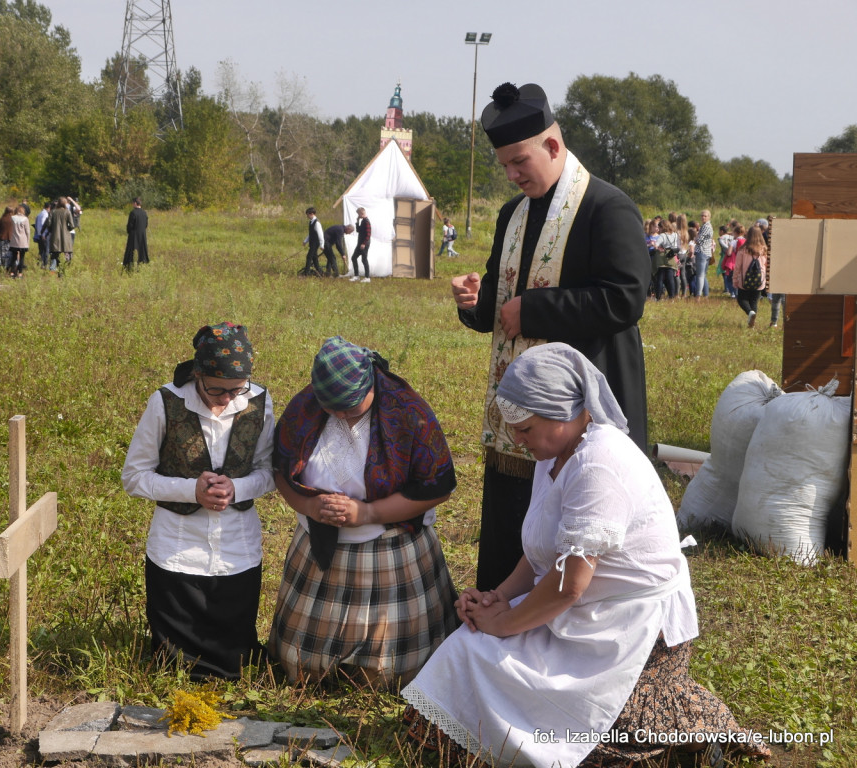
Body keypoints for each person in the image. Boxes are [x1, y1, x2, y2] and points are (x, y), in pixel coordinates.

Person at [401, 343, 771, 768]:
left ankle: (683, 742)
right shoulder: (553, 454)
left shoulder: (598, 465)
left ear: (560, 413)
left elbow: (568, 586)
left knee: (584, 729)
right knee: (467, 652)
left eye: (525, 429)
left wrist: (503, 624)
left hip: (629, 626)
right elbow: (543, 554)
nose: (518, 440)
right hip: (581, 611)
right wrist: (498, 597)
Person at [449, 81, 650, 591]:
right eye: (505, 166)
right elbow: (500, 307)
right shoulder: (511, 215)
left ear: (553, 146)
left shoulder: (606, 207)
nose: (512, 175)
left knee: (577, 534)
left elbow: (625, 299)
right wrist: (474, 302)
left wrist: (535, 310)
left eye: (520, 162)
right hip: (521, 416)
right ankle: (501, 611)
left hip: (581, 410)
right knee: (511, 531)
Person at [268, 336, 459, 688]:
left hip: (390, 551)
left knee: (391, 672)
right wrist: (308, 506)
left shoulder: (408, 411)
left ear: (370, 384)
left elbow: (438, 486)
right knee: (303, 665)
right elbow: (280, 468)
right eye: (331, 408)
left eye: (350, 407)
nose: (340, 415)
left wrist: (368, 514)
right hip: (319, 551)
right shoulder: (306, 406)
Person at [121, 322, 275, 679]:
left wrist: (237, 489)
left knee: (237, 663)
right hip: (177, 551)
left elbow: (269, 472)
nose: (227, 399)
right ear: (198, 374)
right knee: (174, 666)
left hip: (237, 549)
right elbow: (134, 477)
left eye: (237, 389)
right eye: (216, 389)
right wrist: (192, 491)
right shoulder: (166, 401)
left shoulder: (259, 402)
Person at [733, 225, 768, 328]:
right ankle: (752, 322)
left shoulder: (743, 249)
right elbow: (767, 265)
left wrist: (735, 279)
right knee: (754, 301)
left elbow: (737, 266)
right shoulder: (764, 249)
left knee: (741, 299)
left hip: (745, 280)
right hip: (759, 280)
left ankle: (750, 312)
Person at [46, 198, 75, 274]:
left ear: (58, 203)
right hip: (66, 237)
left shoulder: (53, 212)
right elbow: (72, 225)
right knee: (66, 255)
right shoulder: (67, 212)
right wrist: (67, 229)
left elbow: (48, 224)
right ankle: (63, 271)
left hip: (55, 236)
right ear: (65, 203)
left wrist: (52, 230)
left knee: (55, 255)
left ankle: (55, 270)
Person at [123, 197, 150, 269]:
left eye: (132, 203)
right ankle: (142, 264)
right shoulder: (144, 213)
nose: (132, 204)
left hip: (134, 236)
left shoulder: (133, 213)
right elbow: (146, 225)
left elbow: (130, 225)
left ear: (135, 203)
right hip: (142, 235)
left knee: (132, 251)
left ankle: (130, 266)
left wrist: (129, 231)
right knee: (142, 250)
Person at [694, 210, 714, 297]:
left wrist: (696, 238)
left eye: (705, 216)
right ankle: (706, 294)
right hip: (706, 252)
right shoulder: (707, 226)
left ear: (709, 217)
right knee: (703, 275)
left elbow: (699, 240)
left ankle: (698, 295)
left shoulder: (706, 226)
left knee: (700, 275)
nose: (703, 217)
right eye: (702, 215)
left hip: (702, 252)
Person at [350, 207, 372, 282]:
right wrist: (357, 222)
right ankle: (356, 276)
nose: (358, 215)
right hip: (360, 243)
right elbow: (358, 230)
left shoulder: (366, 222)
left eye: (358, 214)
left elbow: (368, 234)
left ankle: (367, 277)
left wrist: (364, 243)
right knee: (354, 258)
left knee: (364, 259)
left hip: (364, 244)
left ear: (361, 213)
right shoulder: (363, 221)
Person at [301, 207, 324, 276]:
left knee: (309, 257)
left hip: (315, 243)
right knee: (314, 257)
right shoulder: (311, 222)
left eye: (308, 214)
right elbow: (311, 234)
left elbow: (320, 234)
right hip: (312, 242)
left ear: (311, 214)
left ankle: (306, 273)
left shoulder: (317, 223)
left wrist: (322, 244)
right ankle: (319, 271)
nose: (307, 216)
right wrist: (305, 241)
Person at [9, 204, 30, 278]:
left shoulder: (12, 218)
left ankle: (12, 272)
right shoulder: (25, 219)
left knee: (14, 257)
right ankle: (20, 273)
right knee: (22, 258)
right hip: (22, 241)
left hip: (14, 241)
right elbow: (27, 231)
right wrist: (28, 242)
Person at [0, 206, 15, 274]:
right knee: (9, 255)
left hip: (2, 239)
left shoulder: (2, 219)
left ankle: (2, 268)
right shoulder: (12, 219)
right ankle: (8, 269)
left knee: (2, 255)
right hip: (10, 239)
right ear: (11, 212)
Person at [34, 201, 51, 269]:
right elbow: (44, 225)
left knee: (41, 251)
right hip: (44, 235)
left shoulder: (40, 214)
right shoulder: (45, 214)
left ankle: (41, 264)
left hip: (39, 234)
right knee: (46, 250)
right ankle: (45, 264)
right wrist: (44, 234)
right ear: (48, 207)